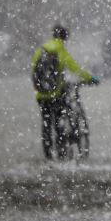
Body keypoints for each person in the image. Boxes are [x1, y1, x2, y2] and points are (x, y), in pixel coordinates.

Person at [32, 24, 100, 160]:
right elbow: (76, 69)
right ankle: (61, 151)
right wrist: (91, 78)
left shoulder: (42, 50)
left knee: (46, 124)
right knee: (58, 123)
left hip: (41, 95)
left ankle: (48, 154)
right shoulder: (61, 51)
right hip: (55, 95)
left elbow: (34, 70)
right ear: (65, 38)